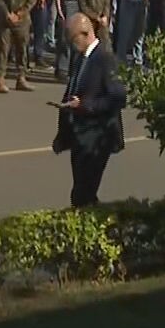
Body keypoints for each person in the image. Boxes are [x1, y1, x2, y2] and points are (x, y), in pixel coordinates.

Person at [55, 12, 126, 207]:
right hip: (80, 135)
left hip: (97, 137)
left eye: (72, 39)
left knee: (83, 194)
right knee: (81, 192)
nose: (71, 45)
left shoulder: (105, 59)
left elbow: (118, 97)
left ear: (85, 33)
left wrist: (86, 105)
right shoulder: (81, 58)